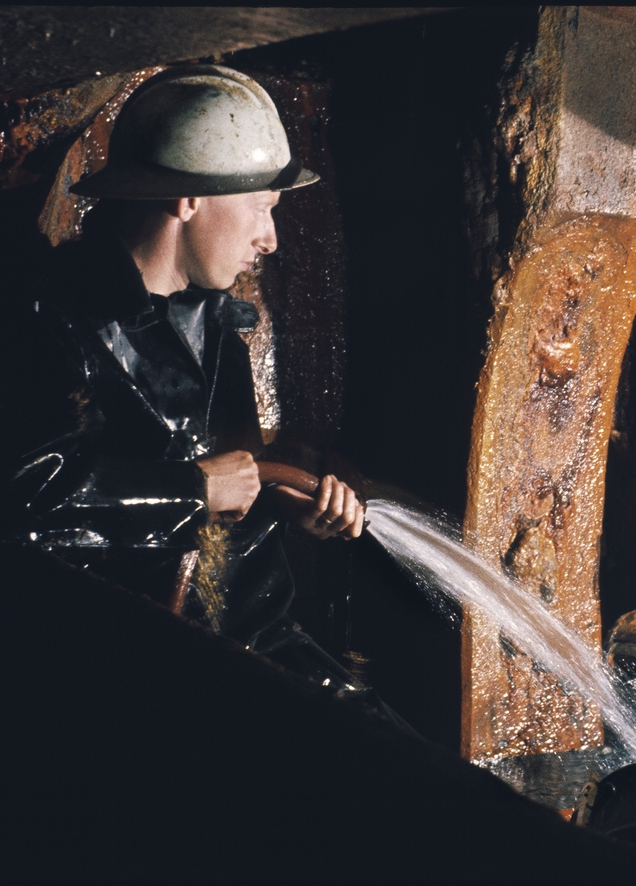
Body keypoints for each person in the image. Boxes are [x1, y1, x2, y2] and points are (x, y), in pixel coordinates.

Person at [0, 65, 399, 720]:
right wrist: (191, 491)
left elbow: (221, 492)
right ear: (188, 199)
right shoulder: (49, 318)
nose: (270, 238)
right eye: (262, 208)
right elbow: (24, 498)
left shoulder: (216, 328)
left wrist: (278, 502)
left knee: (388, 748)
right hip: (121, 685)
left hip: (247, 653)